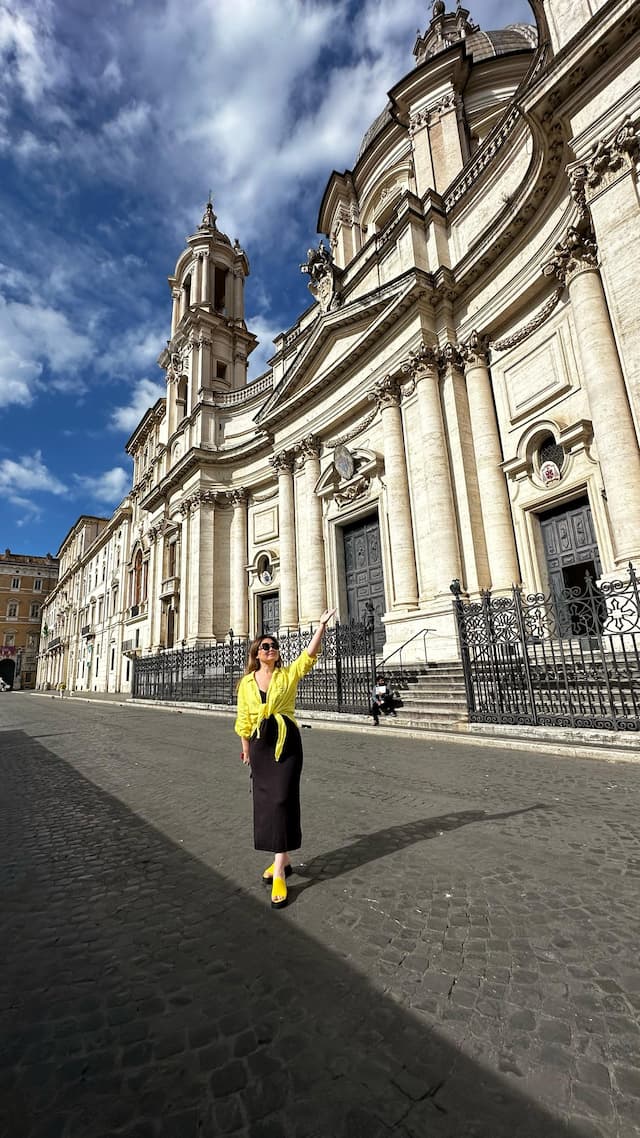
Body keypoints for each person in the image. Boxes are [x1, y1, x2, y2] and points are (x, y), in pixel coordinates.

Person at [235, 609, 336, 910]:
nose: (272, 649)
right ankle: (284, 857)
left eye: (274, 646)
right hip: (260, 745)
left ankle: (279, 870)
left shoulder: (287, 675)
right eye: (266, 646)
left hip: (286, 741)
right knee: (267, 803)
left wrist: (320, 626)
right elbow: (243, 719)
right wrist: (246, 748)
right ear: (257, 653)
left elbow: (309, 656)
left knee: (282, 799)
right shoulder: (246, 683)